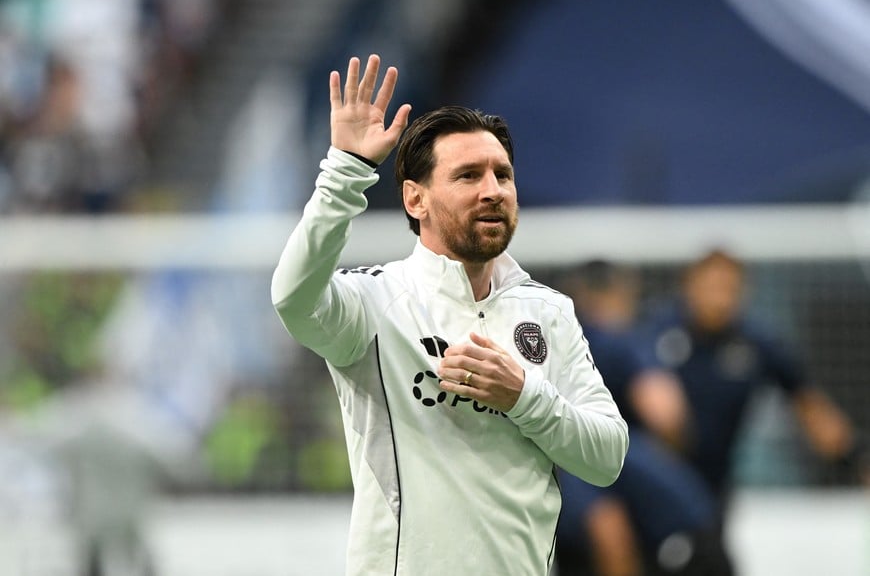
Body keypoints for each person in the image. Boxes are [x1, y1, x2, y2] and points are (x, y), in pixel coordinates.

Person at [270, 54, 628, 575]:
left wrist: (524, 396)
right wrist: (345, 172)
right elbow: (293, 297)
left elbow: (607, 459)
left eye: (502, 174)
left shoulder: (548, 312)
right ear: (416, 200)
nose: (493, 190)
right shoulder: (375, 303)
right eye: (468, 175)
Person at [646, 249, 869, 503]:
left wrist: (856, 457)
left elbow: (809, 407)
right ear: (689, 286)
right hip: (655, 478)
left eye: (729, 289)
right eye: (712, 287)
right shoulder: (655, 332)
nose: (720, 299)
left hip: (715, 483)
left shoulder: (756, 344)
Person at [555, 261, 732, 576]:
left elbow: (609, 533)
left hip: (682, 548)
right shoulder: (622, 342)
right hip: (694, 523)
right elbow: (668, 416)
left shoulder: (578, 450)